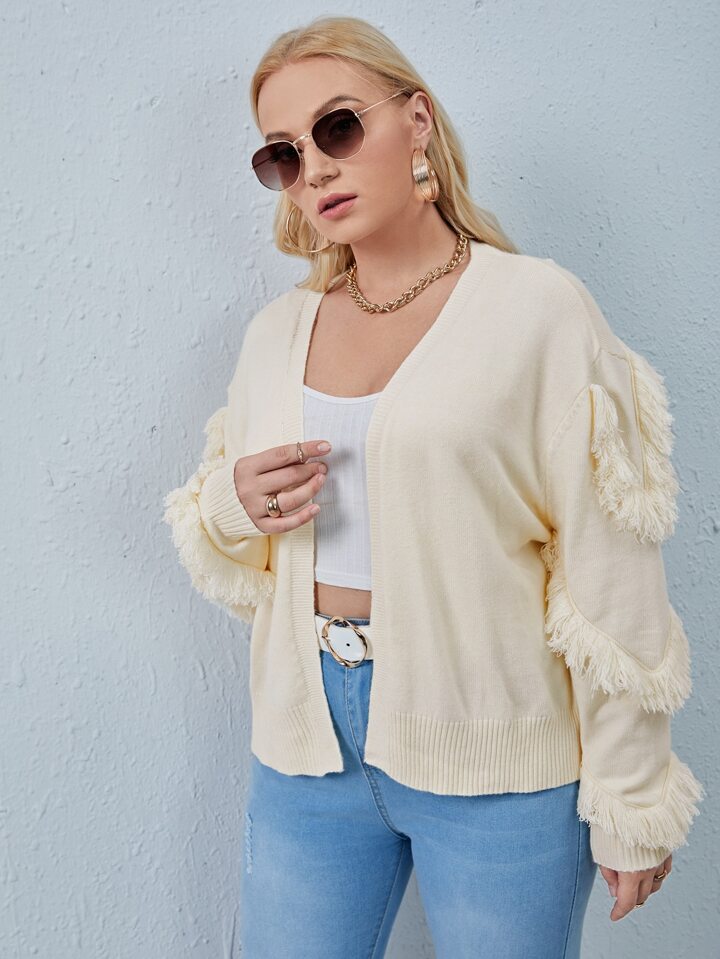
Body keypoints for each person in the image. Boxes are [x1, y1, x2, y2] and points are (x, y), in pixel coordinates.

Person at [163, 15, 704, 958]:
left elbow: (610, 560)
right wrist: (230, 506)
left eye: (337, 128)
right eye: (285, 154)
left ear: (416, 121)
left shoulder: (536, 308)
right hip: (304, 752)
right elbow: (230, 530)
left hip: (499, 751)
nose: (315, 169)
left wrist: (632, 793)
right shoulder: (276, 334)